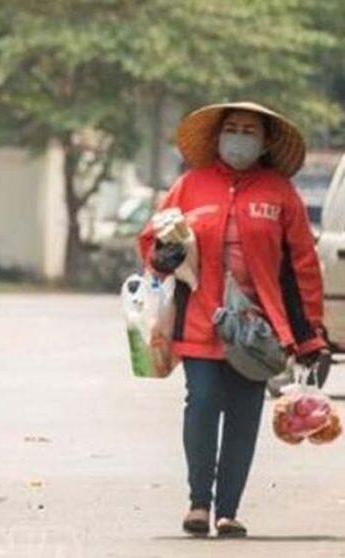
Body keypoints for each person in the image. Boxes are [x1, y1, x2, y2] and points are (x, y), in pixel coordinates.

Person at [139, 102, 328, 538]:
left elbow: (303, 264)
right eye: (232, 128)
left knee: (244, 414)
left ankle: (228, 511)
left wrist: (310, 332)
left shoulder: (280, 193)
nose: (239, 137)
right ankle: (198, 503)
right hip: (200, 320)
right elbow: (152, 240)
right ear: (218, 136)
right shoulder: (190, 185)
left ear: (263, 144)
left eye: (248, 131)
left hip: (260, 329)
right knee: (202, 402)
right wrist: (160, 253)